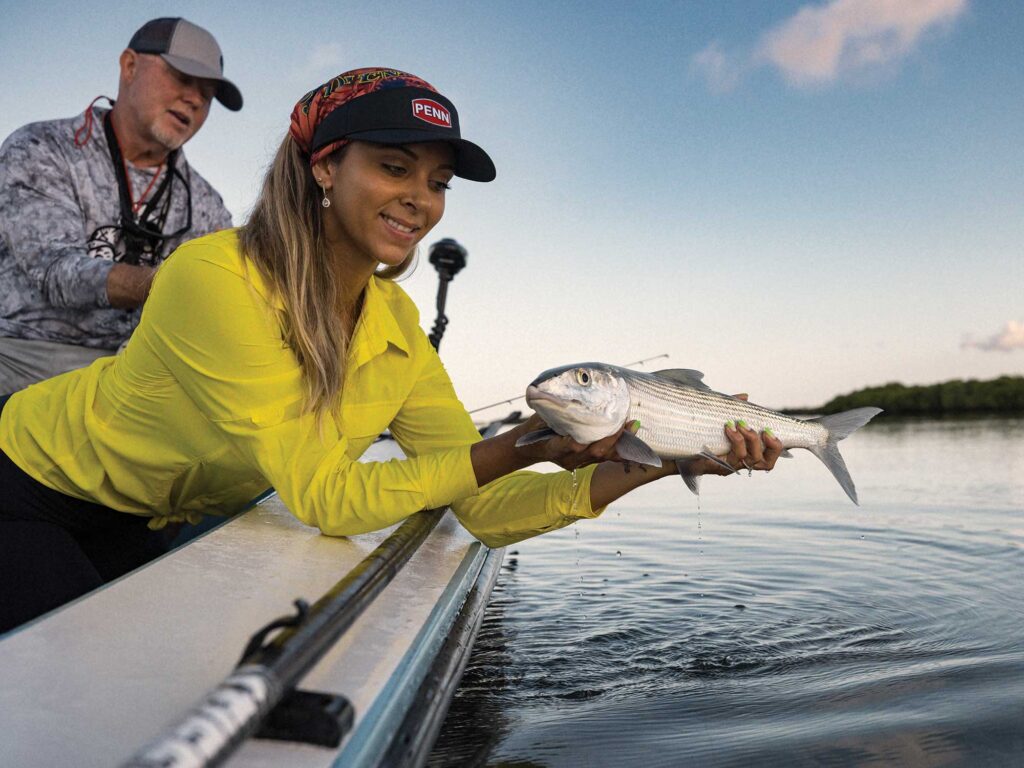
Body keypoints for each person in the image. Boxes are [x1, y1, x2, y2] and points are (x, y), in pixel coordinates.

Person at [0, 68, 782, 634]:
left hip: (150, 516)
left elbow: (485, 514)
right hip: (31, 489)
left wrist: (653, 463)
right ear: (325, 168)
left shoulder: (397, 322)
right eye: (395, 166)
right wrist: (516, 447)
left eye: (438, 180)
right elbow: (325, 499)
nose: (423, 198)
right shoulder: (214, 277)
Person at [0, 17, 242, 391]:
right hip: (26, 356)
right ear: (129, 66)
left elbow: (233, 289)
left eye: (207, 94)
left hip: (138, 369)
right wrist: (177, 282)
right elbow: (55, 273)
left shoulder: (206, 203)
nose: (194, 99)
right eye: (181, 77)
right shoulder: (42, 148)